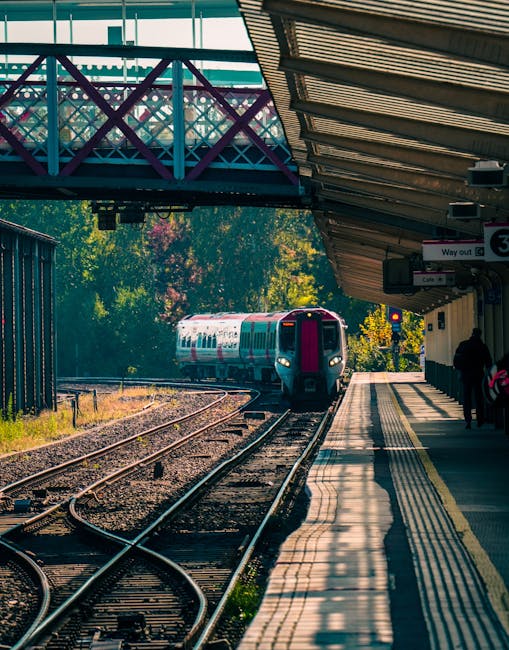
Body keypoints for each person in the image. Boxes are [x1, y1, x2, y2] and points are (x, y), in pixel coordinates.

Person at [453, 328, 492, 428]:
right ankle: (480, 420)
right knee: (479, 398)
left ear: (472, 334)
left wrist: (460, 371)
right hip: (479, 375)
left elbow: (456, 360)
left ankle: (468, 420)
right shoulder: (482, 347)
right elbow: (489, 363)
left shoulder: (464, 345)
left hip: (466, 375)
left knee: (467, 398)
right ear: (480, 335)